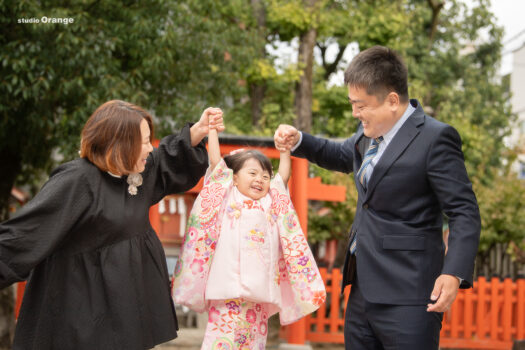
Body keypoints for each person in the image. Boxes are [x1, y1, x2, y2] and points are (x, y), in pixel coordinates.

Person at [274, 46, 481, 350]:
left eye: (361, 105)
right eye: (352, 104)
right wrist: (300, 141)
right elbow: (342, 154)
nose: (355, 113)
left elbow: (464, 211)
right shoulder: (368, 133)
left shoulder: (436, 138)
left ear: (393, 101)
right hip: (362, 291)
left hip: (410, 295)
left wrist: (453, 272)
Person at [0, 100, 224, 350]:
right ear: (119, 143)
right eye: (144, 141)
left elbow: (164, 161)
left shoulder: (136, 174)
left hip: (123, 312)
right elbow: (24, 236)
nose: (151, 148)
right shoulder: (77, 182)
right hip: (78, 318)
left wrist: (199, 130)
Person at [172, 123, 326, 349]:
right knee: (222, 341)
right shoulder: (227, 196)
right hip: (227, 291)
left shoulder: (270, 202)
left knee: (254, 342)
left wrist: (284, 152)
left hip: (259, 293)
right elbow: (216, 163)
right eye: (252, 173)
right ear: (233, 178)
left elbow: (283, 177)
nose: (260, 180)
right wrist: (212, 131)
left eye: (265, 176)